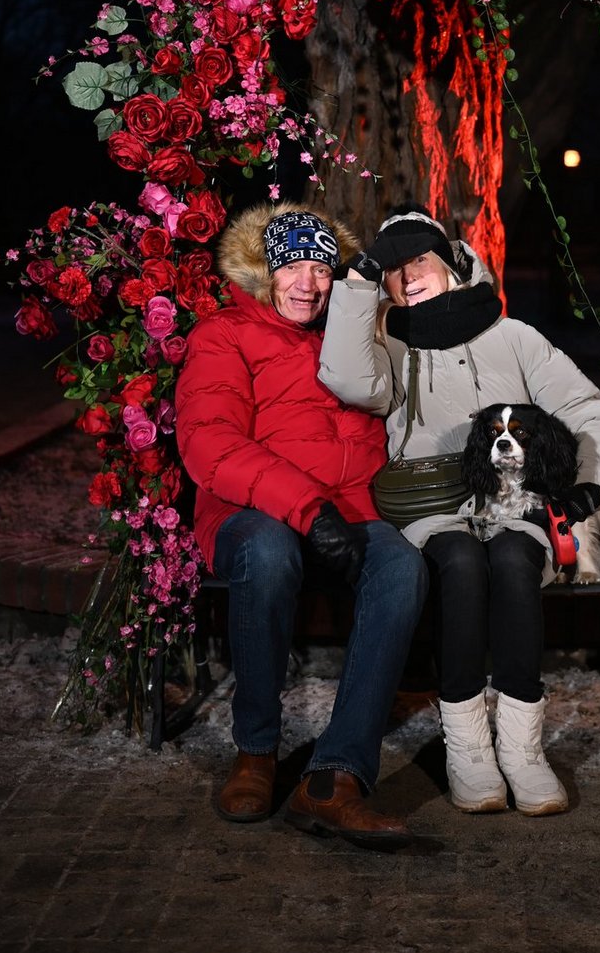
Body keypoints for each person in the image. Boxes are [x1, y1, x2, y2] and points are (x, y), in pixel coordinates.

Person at [319, 206, 600, 817]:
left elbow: (587, 409)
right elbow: (351, 382)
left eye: (420, 260)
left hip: (514, 503)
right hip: (433, 507)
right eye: (395, 269)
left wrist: (588, 489)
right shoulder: (390, 343)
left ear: (454, 264)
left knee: (512, 558)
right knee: (459, 561)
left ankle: (523, 751)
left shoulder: (513, 337)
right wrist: (357, 282)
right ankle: (468, 749)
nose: (408, 278)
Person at [175, 203, 428, 847]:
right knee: (268, 551)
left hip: (348, 516)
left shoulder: (348, 333)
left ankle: (334, 778)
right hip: (249, 513)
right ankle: (256, 751)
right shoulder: (223, 334)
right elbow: (211, 444)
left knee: (400, 565)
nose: (308, 284)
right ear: (265, 271)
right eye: (292, 266)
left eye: (320, 267)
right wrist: (309, 509)